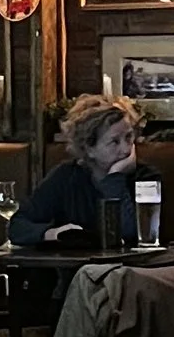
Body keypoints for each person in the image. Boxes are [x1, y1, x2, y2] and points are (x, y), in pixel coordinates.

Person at [8, 93, 142, 245]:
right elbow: (17, 226)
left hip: (126, 267)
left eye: (129, 137)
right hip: (74, 267)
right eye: (114, 141)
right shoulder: (66, 176)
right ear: (89, 149)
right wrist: (54, 233)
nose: (126, 149)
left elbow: (131, 233)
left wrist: (114, 179)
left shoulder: (145, 177)